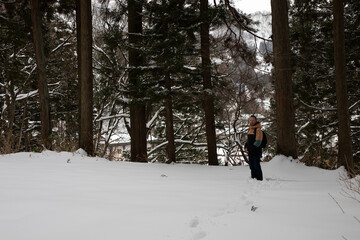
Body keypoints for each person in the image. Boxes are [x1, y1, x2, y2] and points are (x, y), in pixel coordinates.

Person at [244, 115, 263, 181]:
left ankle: (259, 179)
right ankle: (253, 178)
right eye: (250, 120)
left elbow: (258, 142)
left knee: (256, 165)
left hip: (256, 151)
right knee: (251, 166)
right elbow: (247, 140)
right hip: (250, 151)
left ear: (255, 121)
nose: (251, 121)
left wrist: (251, 148)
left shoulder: (258, 130)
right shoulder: (250, 129)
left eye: (252, 120)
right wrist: (246, 146)